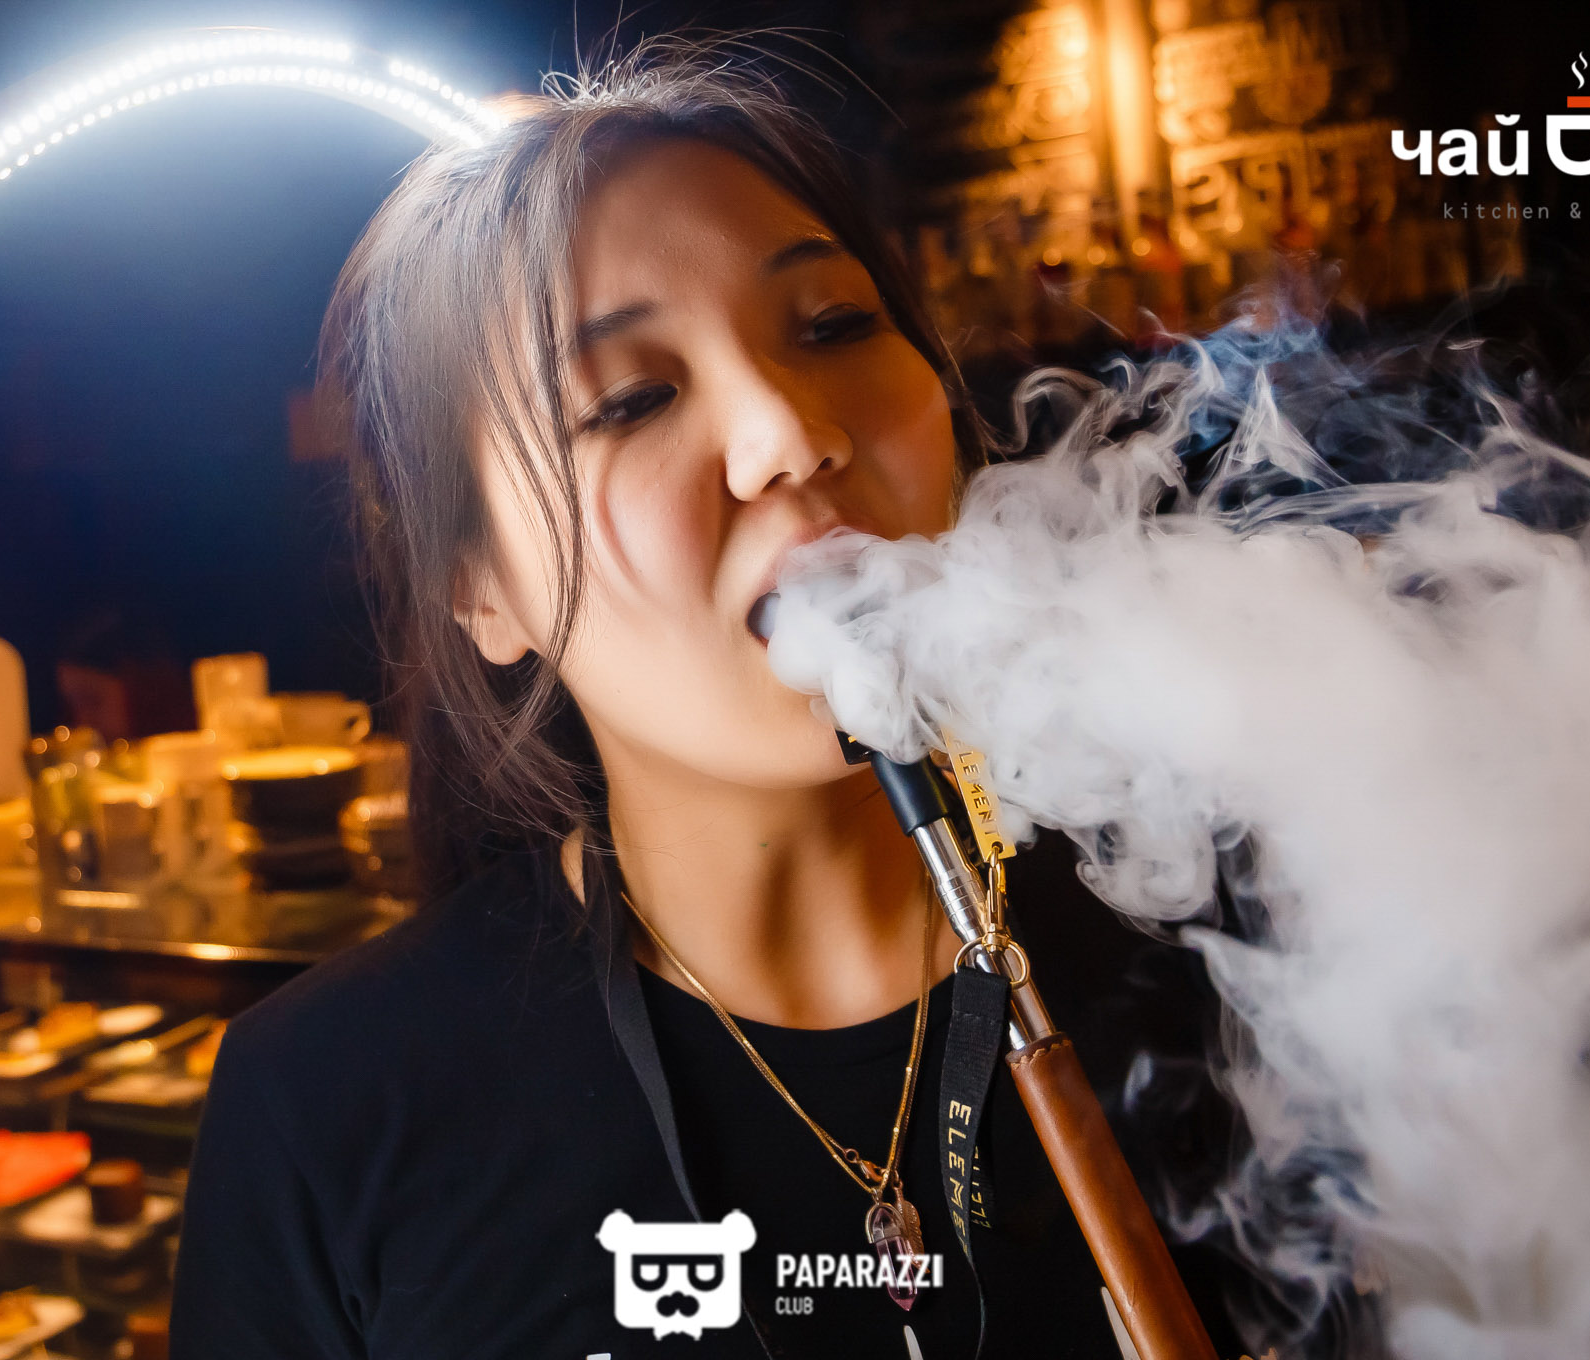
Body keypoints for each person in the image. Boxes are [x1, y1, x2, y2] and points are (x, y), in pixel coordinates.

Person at [171, 47, 1254, 1360]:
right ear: (481, 588)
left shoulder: (1234, 959)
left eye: (835, 325)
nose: (790, 436)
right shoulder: (323, 1106)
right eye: (631, 400)